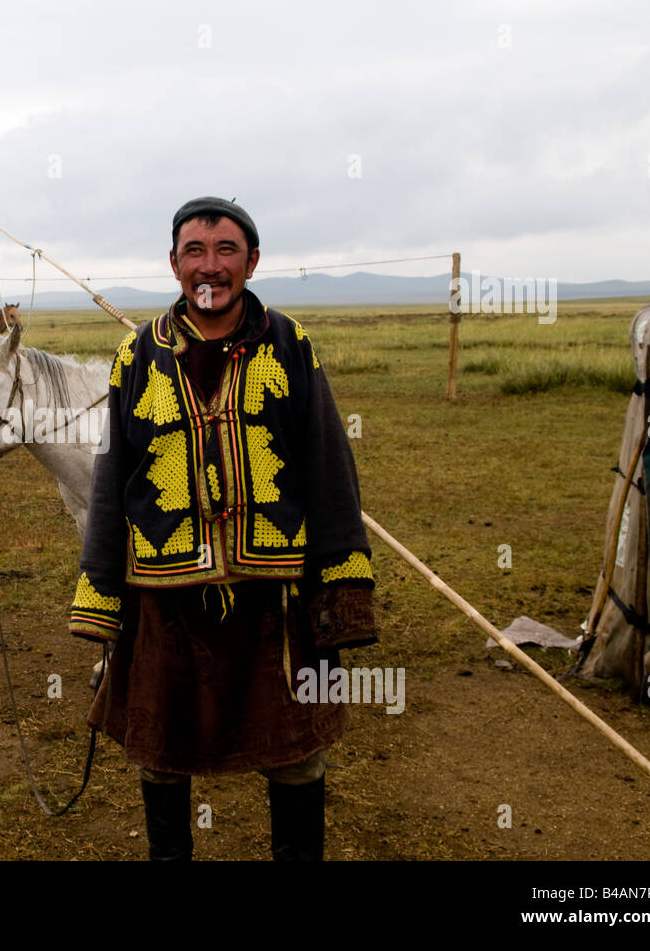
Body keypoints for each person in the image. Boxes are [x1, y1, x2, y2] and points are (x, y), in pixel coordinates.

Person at [68, 196, 377, 861]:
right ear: (175, 264)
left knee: (296, 755)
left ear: (253, 261)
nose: (210, 267)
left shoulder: (289, 345)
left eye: (226, 250)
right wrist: (102, 596)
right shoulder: (138, 355)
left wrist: (341, 593)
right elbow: (110, 480)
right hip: (165, 597)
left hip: (274, 600)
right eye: (195, 252)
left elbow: (328, 467)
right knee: (162, 756)